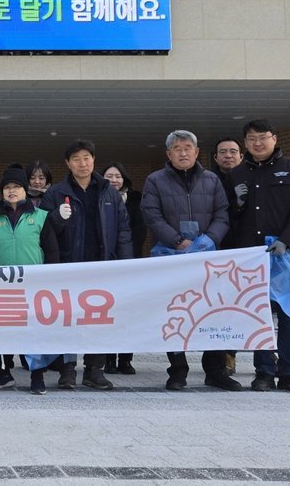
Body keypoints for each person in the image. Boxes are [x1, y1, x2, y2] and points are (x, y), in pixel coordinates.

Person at [141, 130, 241, 392]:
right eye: (177, 148)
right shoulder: (155, 180)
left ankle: (216, 370)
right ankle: (177, 370)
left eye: (188, 148)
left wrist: (209, 239)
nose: (183, 152)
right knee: (174, 311)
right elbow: (151, 215)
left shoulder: (212, 180)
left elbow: (222, 214)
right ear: (169, 154)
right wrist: (178, 242)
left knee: (214, 311)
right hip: (170, 257)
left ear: (197, 152)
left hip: (208, 259)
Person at [230, 119, 290, 395]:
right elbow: (230, 218)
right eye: (251, 139)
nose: (258, 143)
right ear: (245, 143)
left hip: (288, 255)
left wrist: (285, 240)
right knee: (259, 315)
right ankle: (264, 372)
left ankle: (289, 373)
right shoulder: (237, 174)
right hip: (253, 259)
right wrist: (237, 204)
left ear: (274, 139)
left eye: (263, 137)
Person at [39, 141, 131, 392]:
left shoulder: (109, 192)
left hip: (102, 266)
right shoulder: (55, 193)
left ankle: (94, 370)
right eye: (76, 159)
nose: (82, 163)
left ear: (93, 160)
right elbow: (43, 231)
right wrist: (57, 217)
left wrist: (125, 264)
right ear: (67, 164)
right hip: (69, 266)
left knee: (99, 319)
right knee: (69, 319)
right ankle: (68, 370)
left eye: (87, 158)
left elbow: (123, 231)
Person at [0, 165, 59, 394]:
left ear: (25, 190)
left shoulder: (41, 217)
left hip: (32, 286)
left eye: (16, 186)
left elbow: (51, 251)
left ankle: (37, 376)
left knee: (33, 331)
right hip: (1, 285)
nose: (11, 191)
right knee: (2, 329)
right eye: (7, 187)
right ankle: (3, 372)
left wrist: (50, 280)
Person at [101, 161, 145, 376]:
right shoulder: (99, 198)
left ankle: (126, 360)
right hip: (106, 265)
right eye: (109, 176)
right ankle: (109, 359)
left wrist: (129, 259)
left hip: (130, 264)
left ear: (124, 179)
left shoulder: (135, 200)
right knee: (108, 315)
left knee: (128, 315)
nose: (114, 180)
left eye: (117, 176)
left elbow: (140, 231)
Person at [210, 137, 245, 375]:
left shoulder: (251, 178)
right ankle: (226, 355)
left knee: (251, 305)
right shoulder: (209, 181)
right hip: (218, 252)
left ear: (241, 156)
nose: (228, 156)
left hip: (247, 254)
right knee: (221, 307)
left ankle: (265, 352)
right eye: (223, 152)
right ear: (215, 157)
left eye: (233, 151)